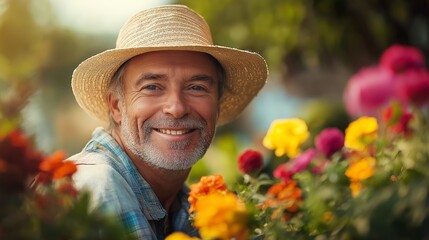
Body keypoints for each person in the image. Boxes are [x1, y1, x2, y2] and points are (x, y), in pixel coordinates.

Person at [69, 4, 268, 240]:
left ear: (217, 104)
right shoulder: (97, 189)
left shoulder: (181, 206)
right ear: (117, 106)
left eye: (197, 87)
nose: (177, 108)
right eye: (152, 87)